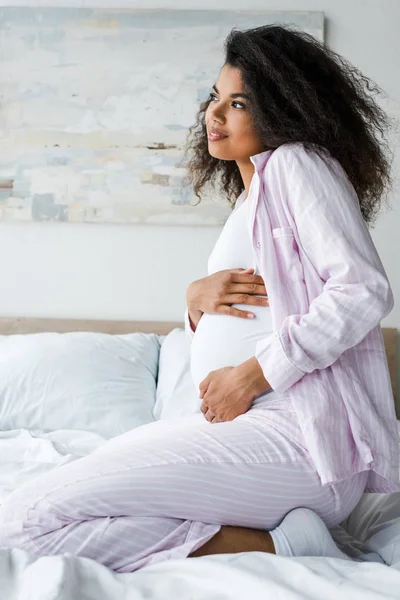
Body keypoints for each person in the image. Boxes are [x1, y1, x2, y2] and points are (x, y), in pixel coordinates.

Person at [0, 24, 398, 573]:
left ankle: (283, 542)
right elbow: (260, 308)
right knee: (43, 508)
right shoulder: (253, 194)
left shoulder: (296, 162)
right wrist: (195, 300)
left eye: (238, 103)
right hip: (248, 428)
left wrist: (253, 374)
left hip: (298, 436)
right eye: (215, 97)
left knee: (30, 519)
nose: (215, 114)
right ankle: (286, 542)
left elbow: (363, 290)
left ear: (283, 109)